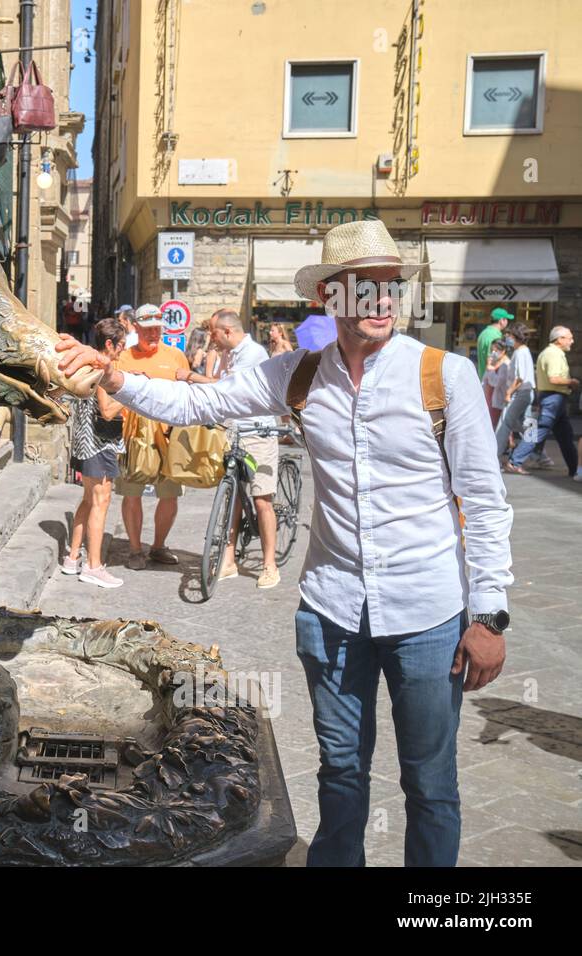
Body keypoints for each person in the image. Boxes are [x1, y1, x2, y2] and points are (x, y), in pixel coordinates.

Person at [56, 219, 512, 867]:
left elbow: (487, 501)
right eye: (365, 288)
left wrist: (489, 614)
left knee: (431, 786)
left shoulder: (444, 376)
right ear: (330, 298)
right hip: (331, 614)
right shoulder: (296, 376)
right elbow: (197, 405)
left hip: (430, 617)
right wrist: (115, 376)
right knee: (341, 774)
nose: (383, 301)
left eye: (392, 287)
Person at [178, 309, 281, 588]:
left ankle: (270, 565)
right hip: (235, 432)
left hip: (258, 432)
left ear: (227, 332)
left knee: (262, 500)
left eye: (213, 333)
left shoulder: (252, 353)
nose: (210, 338)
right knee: (233, 496)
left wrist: (189, 376)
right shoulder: (231, 353)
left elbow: (225, 387)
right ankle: (228, 560)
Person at [115, 303, 189, 569]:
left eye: (157, 329)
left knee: (169, 495)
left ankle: (158, 546)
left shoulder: (175, 356)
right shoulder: (123, 358)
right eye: (148, 330)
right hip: (133, 437)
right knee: (131, 493)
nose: (153, 334)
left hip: (168, 437)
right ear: (135, 328)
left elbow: (185, 395)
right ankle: (135, 550)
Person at [62, 316, 129, 588]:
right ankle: (94, 566)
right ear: (110, 344)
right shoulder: (102, 369)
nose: (124, 349)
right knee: (100, 504)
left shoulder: (88, 363)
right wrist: (130, 398)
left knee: (88, 500)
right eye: (121, 344)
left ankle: (72, 557)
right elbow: (107, 409)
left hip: (83, 442)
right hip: (100, 444)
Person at [506, 325, 579, 480]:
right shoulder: (553, 354)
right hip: (554, 398)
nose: (572, 341)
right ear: (560, 339)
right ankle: (514, 461)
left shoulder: (552, 353)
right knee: (538, 430)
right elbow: (554, 378)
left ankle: (575, 469)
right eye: (569, 338)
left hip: (553, 398)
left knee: (565, 436)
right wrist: (571, 381)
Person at [494, 324, 535, 464]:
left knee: (505, 424)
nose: (507, 338)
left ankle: (494, 457)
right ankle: (536, 453)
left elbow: (520, 378)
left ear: (516, 337)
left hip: (519, 393)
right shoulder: (523, 351)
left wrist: (508, 393)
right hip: (525, 393)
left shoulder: (520, 352)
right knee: (528, 425)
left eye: (509, 335)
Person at [476, 307, 512, 386]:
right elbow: (493, 359)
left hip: (483, 378)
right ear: (501, 321)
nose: (507, 322)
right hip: (491, 382)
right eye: (506, 319)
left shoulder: (484, 333)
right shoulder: (495, 336)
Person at [482, 339, 510, 430]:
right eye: (492, 350)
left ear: (503, 351)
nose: (493, 353)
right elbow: (485, 380)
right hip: (491, 399)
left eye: (496, 350)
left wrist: (490, 369)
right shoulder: (495, 362)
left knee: (498, 426)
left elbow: (497, 382)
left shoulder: (505, 364)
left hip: (499, 400)